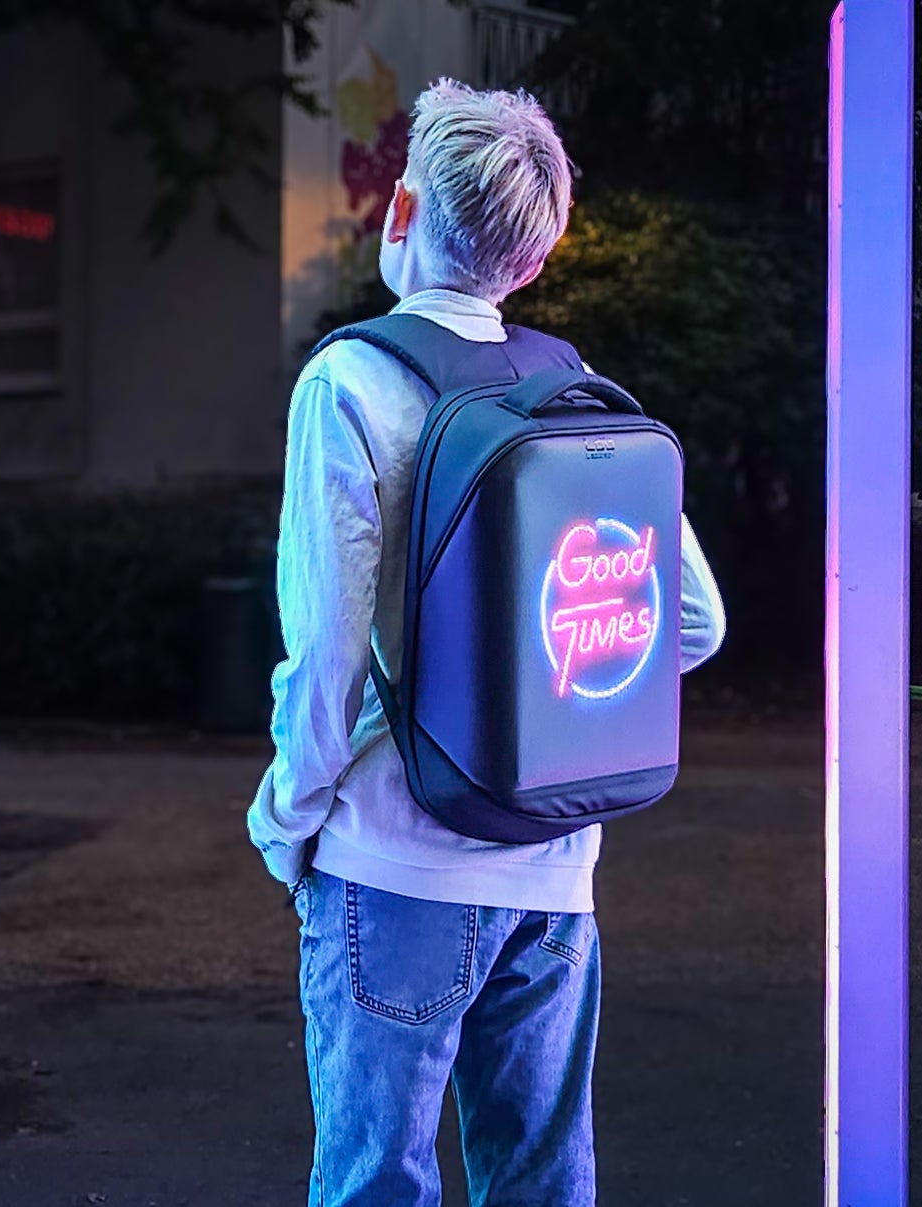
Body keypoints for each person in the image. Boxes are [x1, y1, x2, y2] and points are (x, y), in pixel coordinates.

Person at [247, 79, 726, 1207]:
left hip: (394, 860)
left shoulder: (351, 381)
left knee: (375, 1182)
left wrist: (286, 819)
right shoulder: (575, 393)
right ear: (539, 255)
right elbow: (691, 623)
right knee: (542, 1181)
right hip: (557, 874)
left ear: (400, 210)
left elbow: (325, 652)